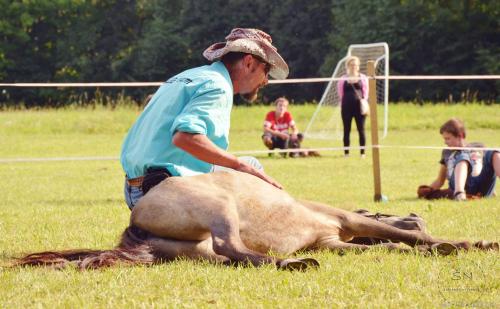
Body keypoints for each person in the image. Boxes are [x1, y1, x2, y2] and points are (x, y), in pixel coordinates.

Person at [120, 28, 289, 210]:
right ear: (249, 62)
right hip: (161, 193)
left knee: (252, 165)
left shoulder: (189, 76)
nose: (266, 81)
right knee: (249, 170)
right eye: (267, 69)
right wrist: (240, 166)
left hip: (135, 188)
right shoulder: (218, 86)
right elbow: (184, 137)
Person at [418, 118, 499, 201]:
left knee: (494, 152)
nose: (445, 142)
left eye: (448, 138)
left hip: (479, 184)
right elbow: (440, 181)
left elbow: (488, 171)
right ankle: (459, 194)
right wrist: (428, 191)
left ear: (461, 136)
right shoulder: (447, 152)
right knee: (462, 156)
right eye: (444, 139)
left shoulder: (478, 146)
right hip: (457, 186)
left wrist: (492, 190)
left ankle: (468, 195)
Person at [337, 56, 369, 157]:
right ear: (348, 66)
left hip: (359, 108)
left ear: (358, 66)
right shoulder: (343, 79)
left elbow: (366, 91)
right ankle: (346, 153)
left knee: (361, 129)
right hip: (346, 108)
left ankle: (362, 153)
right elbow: (340, 93)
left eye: (355, 65)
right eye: (351, 65)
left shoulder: (363, 78)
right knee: (346, 130)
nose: (353, 67)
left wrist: (363, 102)